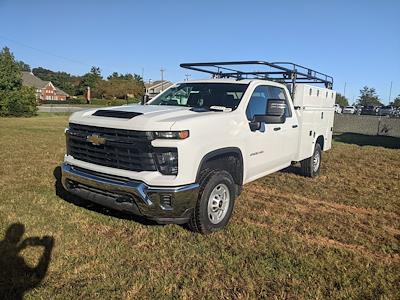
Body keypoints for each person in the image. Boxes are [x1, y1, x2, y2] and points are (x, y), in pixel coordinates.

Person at [0, 223, 54, 300]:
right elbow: (36, 277)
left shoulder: (10, 261)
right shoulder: (16, 265)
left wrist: (20, 246)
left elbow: (4, 256)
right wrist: (48, 250)